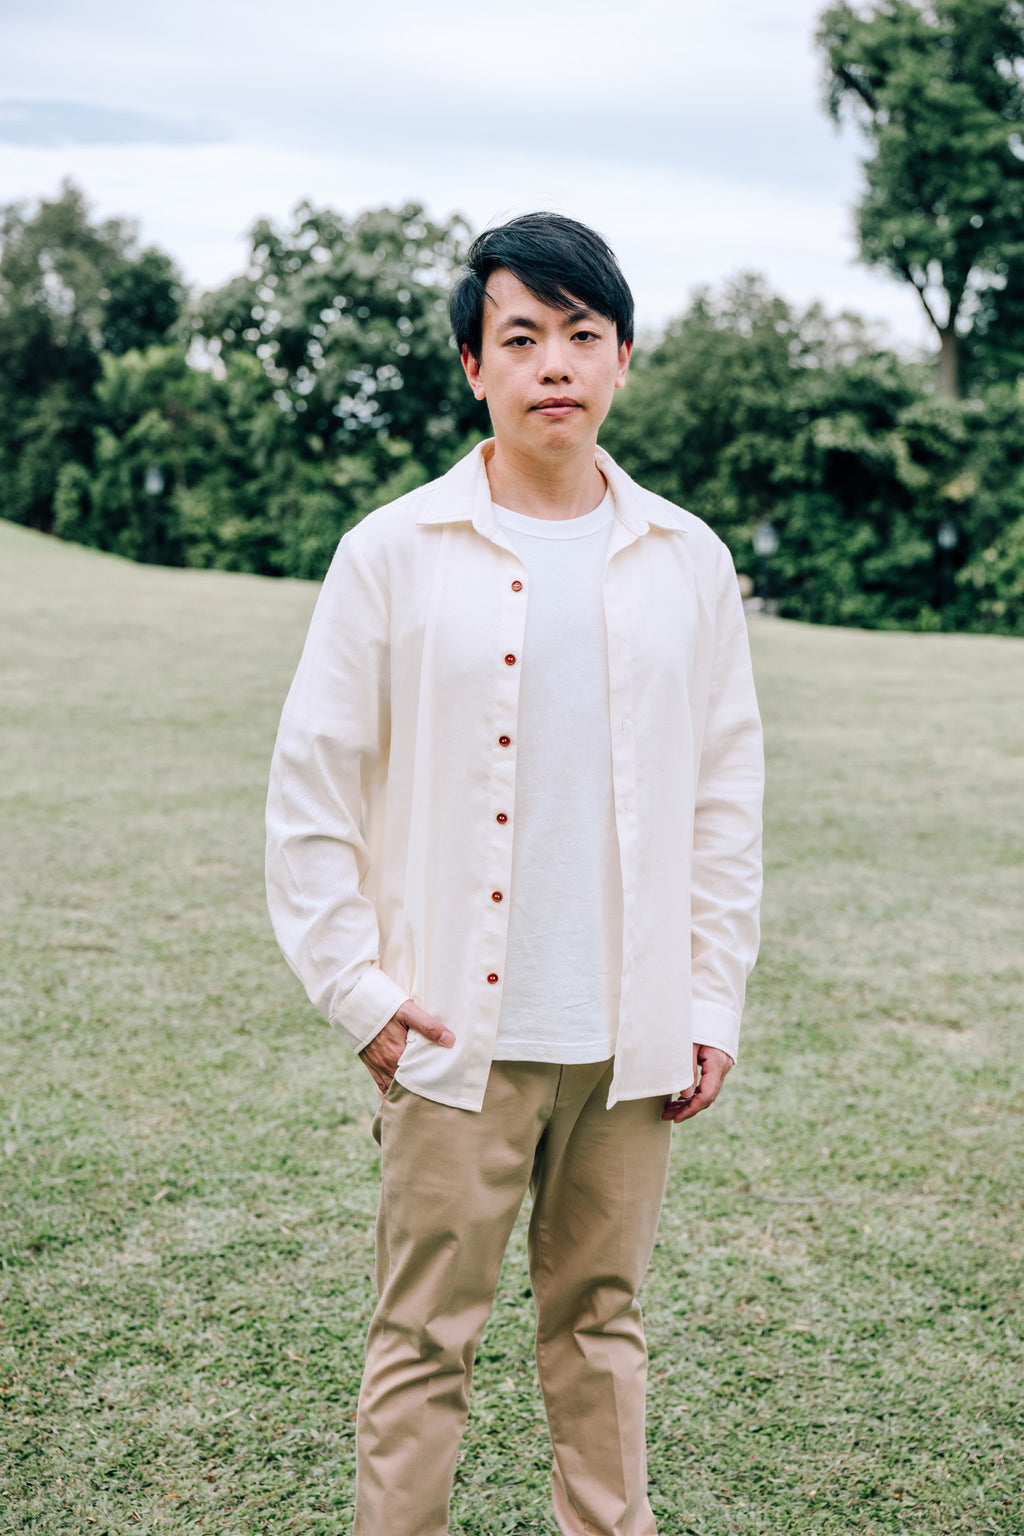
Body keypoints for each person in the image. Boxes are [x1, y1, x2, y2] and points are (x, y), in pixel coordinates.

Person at [265, 212, 764, 1536]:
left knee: (601, 1333)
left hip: (629, 1040)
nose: (556, 363)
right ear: (473, 367)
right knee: (423, 1343)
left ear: (624, 359)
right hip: (450, 1036)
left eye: (582, 336)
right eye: (522, 337)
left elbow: (726, 798)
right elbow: (312, 787)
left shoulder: (689, 562)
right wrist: (359, 993)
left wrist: (710, 1002)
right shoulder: (395, 552)